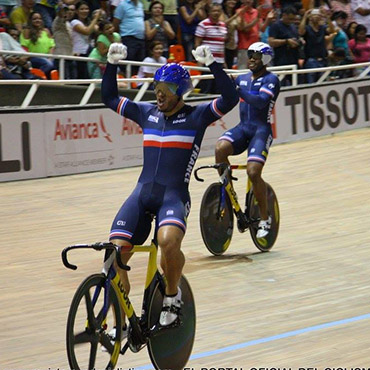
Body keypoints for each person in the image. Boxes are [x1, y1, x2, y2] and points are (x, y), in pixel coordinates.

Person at [101, 43, 238, 337]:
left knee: (167, 243)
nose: (159, 93)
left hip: (173, 196)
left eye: (166, 87)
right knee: (113, 253)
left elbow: (230, 98)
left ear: (181, 91)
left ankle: (173, 296)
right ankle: (122, 324)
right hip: (142, 194)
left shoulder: (197, 116)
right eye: (156, 86)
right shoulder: (145, 111)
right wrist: (111, 63)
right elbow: (109, 97)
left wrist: (213, 64)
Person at [215, 42, 280, 239]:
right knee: (220, 149)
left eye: (255, 56)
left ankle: (264, 217)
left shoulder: (272, 79)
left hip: (261, 131)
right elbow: (229, 94)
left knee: (253, 172)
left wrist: (238, 89)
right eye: (249, 54)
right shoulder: (242, 78)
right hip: (243, 129)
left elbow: (260, 102)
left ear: (266, 59)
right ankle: (230, 197)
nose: (250, 58)